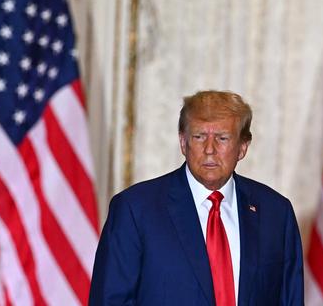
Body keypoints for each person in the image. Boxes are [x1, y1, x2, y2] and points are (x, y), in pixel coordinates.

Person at [89, 90, 304, 305]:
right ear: (183, 142)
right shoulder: (135, 210)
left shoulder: (275, 214)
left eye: (222, 138)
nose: (209, 149)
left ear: (242, 147)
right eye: (199, 136)